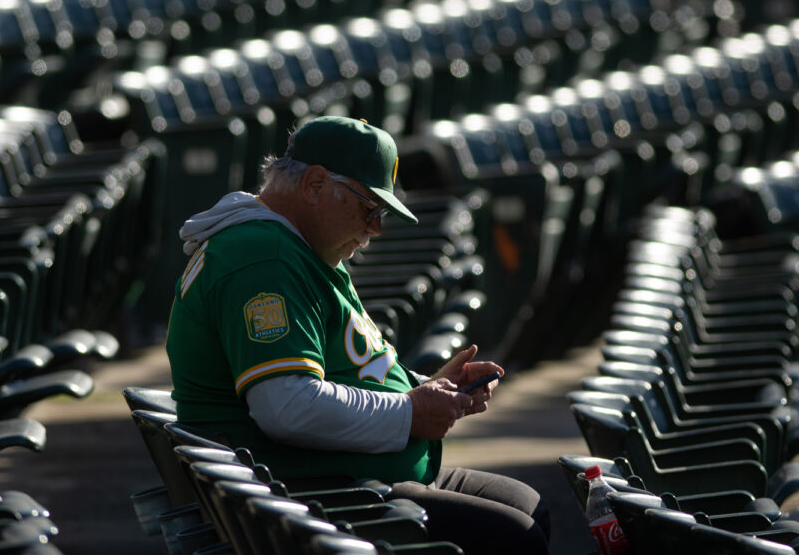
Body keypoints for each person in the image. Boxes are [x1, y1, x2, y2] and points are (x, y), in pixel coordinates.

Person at [166, 116, 550, 555]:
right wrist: (408, 413)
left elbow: (339, 366)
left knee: (530, 507)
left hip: (343, 475)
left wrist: (423, 390)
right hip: (309, 492)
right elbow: (285, 407)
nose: (376, 230)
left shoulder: (293, 245)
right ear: (313, 185)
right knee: (516, 537)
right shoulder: (264, 257)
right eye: (370, 209)